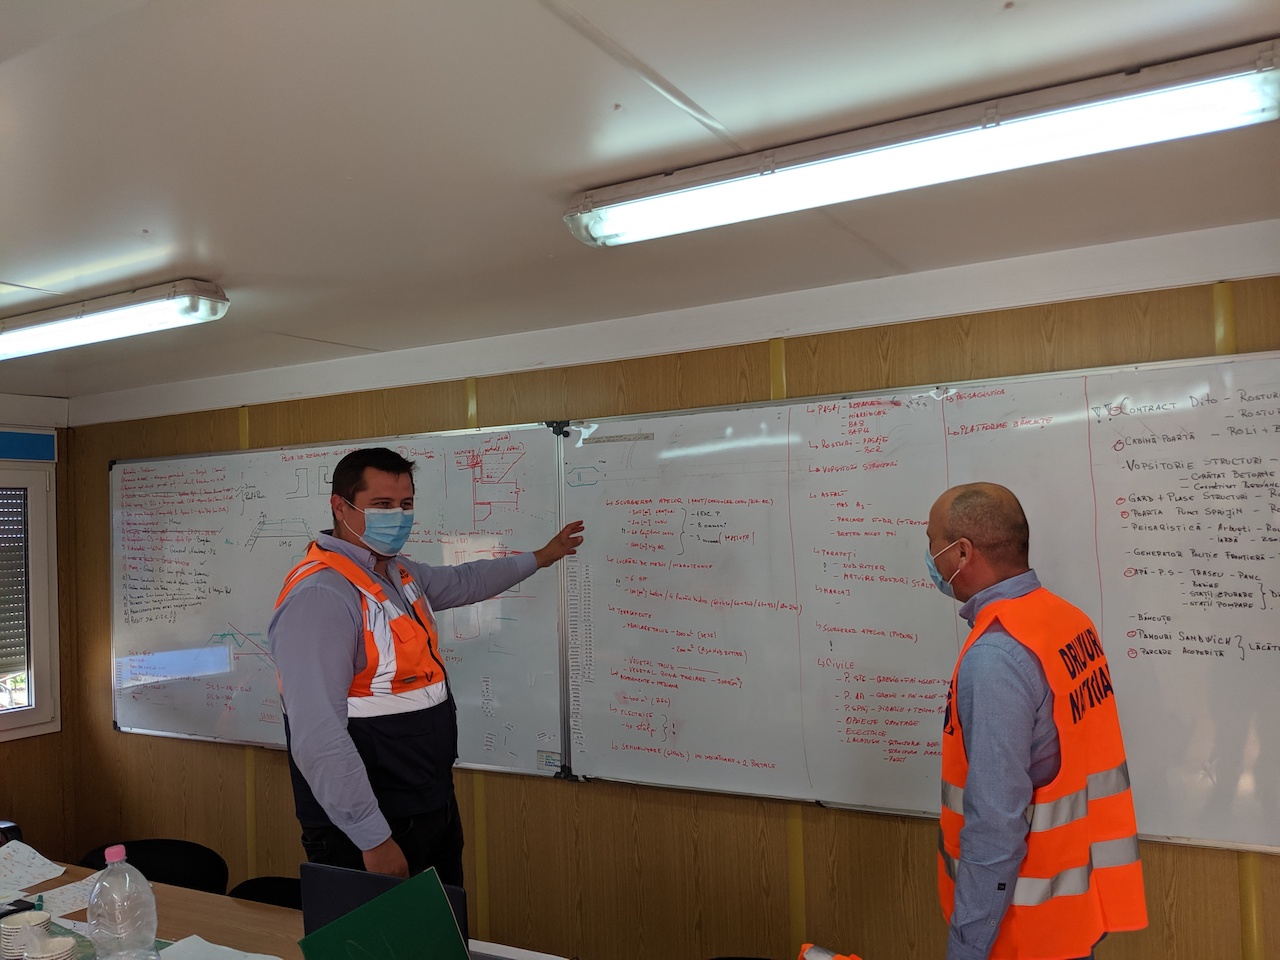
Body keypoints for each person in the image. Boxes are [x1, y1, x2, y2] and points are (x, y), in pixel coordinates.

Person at [269, 447, 584, 882]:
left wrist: (541, 556)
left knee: (443, 922)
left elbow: (466, 581)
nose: (397, 517)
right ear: (340, 506)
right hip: (370, 826)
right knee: (382, 929)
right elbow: (317, 735)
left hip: (426, 803)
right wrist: (372, 838)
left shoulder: (397, 573)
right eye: (382, 505)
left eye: (406, 504)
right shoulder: (323, 596)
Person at [925, 482, 1147, 960]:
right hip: (1071, 919)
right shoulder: (1067, 621)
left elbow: (994, 827)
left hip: (1018, 933)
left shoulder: (996, 658)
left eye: (932, 543)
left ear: (962, 552)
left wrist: (967, 947)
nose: (930, 558)